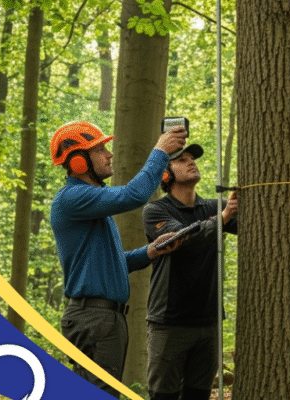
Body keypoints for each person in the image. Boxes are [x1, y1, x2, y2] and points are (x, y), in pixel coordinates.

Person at [50, 120, 188, 397]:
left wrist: (150, 252)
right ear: (78, 161)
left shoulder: (89, 203)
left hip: (98, 318)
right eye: (99, 150)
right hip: (96, 319)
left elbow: (112, 266)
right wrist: (160, 151)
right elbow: (133, 195)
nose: (109, 154)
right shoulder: (74, 197)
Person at [141, 143, 238, 400]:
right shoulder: (156, 211)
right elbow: (182, 242)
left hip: (209, 322)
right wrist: (223, 218)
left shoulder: (213, 207)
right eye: (182, 160)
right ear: (165, 174)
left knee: (198, 395)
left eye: (192, 158)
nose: (191, 162)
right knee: (163, 395)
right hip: (169, 323)